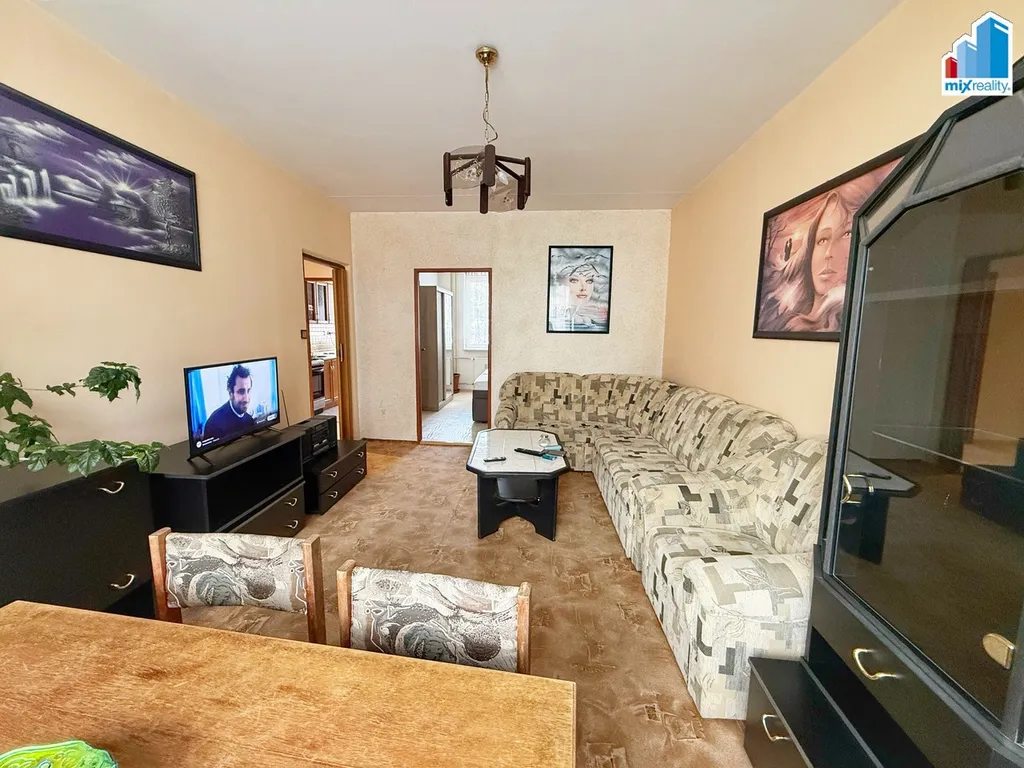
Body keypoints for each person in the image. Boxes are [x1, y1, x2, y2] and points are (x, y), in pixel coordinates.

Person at [202, 364, 256, 443]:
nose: (246, 399)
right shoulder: (213, 424)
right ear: (231, 394)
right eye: (241, 391)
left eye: (248, 390)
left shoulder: (249, 420)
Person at [551, 259, 609, 331]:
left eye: (589, 281)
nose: (583, 288)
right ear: (561, 284)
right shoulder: (556, 317)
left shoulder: (592, 320)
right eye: (574, 281)